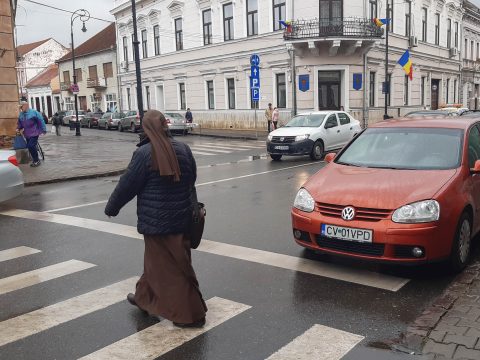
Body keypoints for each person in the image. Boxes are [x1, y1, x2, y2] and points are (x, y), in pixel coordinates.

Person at [104, 110, 207, 328]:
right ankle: (143, 298)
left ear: (147, 128)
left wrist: (112, 207)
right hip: (182, 220)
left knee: (173, 270)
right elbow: (192, 179)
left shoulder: (144, 154)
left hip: (156, 224)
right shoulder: (184, 149)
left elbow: (127, 185)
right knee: (161, 265)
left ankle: (190, 315)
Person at [17, 101, 46, 167]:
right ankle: (35, 159)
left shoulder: (34, 113)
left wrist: (43, 129)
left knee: (31, 146)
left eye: (21, 107)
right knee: (29, 146)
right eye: (20, 107)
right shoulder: (21, 114)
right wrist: (18, 128)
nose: (21, 109)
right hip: (27, 133)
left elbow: (41, 121)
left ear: (26, 105)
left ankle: (36, 160)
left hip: (35, 132)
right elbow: (20, 123)